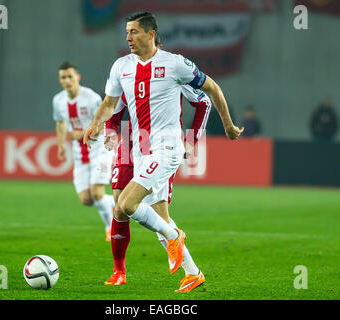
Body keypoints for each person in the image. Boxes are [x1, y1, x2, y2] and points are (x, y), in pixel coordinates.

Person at [83, 12, 243, 292]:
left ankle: (174, 236)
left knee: (126, 206)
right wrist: (96, 124)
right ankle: (193, 273)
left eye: (133, 32)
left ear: (150, 33)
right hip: (142, 149)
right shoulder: (121, 66)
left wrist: (227, 125)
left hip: (167, 148)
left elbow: (212, 89)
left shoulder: (175, 64)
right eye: (126, 32)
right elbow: (110, 103)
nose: (128, 37)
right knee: (158, 215)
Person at [102, 36, 212, 292]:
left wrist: (191, 140)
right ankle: (119, 270)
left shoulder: (171, 72)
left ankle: (192, 271)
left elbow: (204, 102)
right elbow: (114, 108)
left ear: (157, 47)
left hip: (161, 147)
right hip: (130, 145)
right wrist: (110, 130)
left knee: (156, 213)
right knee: (121, 206)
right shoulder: (127, 70)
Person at [53, 61, 115, 242]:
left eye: (70, 76)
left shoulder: (91, 98)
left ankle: (110, 228)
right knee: (86, 199)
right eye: (63, 78)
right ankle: (118, 202)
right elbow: (60, 123)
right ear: (60, 80)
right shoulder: (58, 100)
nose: (67, 80)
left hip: (100, 148)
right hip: (80, 155)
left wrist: (80, 134)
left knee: (97, 193)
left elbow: (106, 123)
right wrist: (60, 146)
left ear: (77, 77)